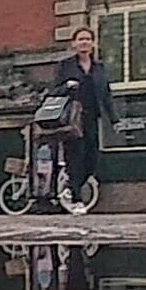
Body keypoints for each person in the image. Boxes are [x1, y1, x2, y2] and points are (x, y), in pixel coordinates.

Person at [53, 25, 114, 205]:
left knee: (92, 159)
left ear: (93, 43)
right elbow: (54, 91)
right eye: (80, 39)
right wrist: (67, 86)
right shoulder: (66, 65)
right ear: (74, 44)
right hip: (73, 119)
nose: (84, 42)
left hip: (92, 117)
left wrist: (114, 118)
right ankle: (77, 199)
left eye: (87, 39)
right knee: (75, 157)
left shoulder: (99, 68)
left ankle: (71, 188)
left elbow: (106, 94)